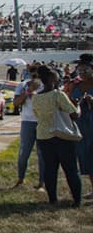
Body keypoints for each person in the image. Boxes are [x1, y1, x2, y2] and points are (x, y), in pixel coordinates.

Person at [32, 66, 82, 207]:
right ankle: (77, 200)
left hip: (43, 135)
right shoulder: (57, 95)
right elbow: (74, 115)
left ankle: (52, 199)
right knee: (71, 169)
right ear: (52, 80)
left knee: (50, 169)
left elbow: (37, 116)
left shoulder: (35, 97)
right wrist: (78, 106)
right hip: (61, 135)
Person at [63, 53, 93, 199]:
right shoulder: (77, 85)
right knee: (86, 157)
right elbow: (70, 104)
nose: (82, 73)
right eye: (80, 70)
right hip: (82, 125)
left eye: (85, 70)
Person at [13, 64, 44, 189]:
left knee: (43, 155)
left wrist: (35, 91)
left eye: (37, 71)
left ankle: (42, 182)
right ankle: (21, 178)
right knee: (23, 153)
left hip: (42, 121)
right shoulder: (23, 85)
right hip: (27, 121)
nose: (34, 73)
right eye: (32, 71)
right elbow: (16, 103)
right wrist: (27, 92)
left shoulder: (45, 85)